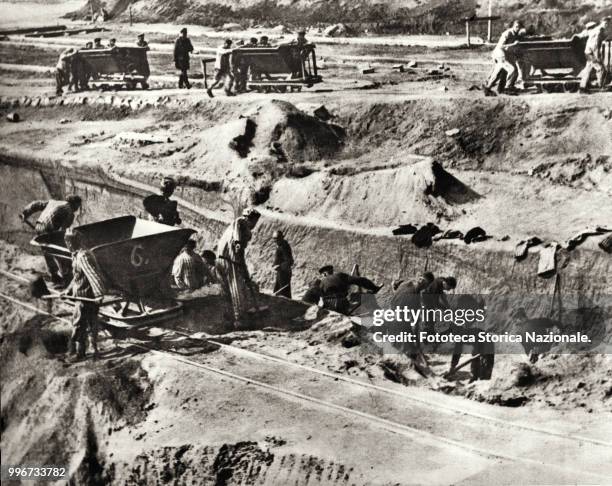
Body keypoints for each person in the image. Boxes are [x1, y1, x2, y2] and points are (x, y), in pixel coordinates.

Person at [63, 229, 105, 361]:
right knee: (89, 324)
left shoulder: (83, 256)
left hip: (86, 297)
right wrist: (68, 290)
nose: (67, 246)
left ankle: (81, 353)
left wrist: (99, 294)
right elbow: (77, 277)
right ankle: (93, 352)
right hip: (82, 295)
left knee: (79, 324)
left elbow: (93, 275)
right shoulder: (77, 255)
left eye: (67, 243)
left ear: (72, 243)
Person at [215, 208, 261, 327]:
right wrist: (238, 243)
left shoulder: (240, 228)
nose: (254, 225)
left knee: (225, 292)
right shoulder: (241, 222)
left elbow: (241, 254)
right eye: (254, 222)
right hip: (229, 260)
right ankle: (239, 320)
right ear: (249, 218)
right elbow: (238, 242)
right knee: (236, 290)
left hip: (221, 260)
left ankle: (227, 319)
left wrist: (243, 266)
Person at [21, 195, 82, 283]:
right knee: (58, 251)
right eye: (78, 206)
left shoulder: (54, 202)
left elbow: (36, 204)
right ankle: (65, 276)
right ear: (74, 204)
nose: (78, 208)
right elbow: (62, 232)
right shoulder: (70, 213)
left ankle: (54, 275)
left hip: (39, 227)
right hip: (49, 230)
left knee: (47, 251)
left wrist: (25, 213)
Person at [318, 265, 382, 315]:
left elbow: (319, 299)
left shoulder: (320, 284)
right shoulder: (340, 276)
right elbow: (360, 280)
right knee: (362, 296)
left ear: (324, 274)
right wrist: (374, 288)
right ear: (332, 271)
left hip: (330, 307)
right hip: (342, 304)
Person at [484, 20, 523, 95]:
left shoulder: (516, 34)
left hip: (505, 54)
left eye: (519, 27)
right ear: (513, 26)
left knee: (501, 72)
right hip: (500, 54)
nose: (517, 28)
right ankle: (507, 88)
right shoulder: (507, 33)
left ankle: (489, 88)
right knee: (512, 69)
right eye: (516, 27)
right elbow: (500, 46)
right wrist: (513, 44)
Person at [579, 17, 610, 93]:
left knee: (588, 69)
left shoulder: (597, 30)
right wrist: (597, 57)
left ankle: (582, 88)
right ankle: (601, 86)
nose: (607, 25)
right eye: (605, 23)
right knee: (600, 68)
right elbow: (595, 45)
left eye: (608, 23)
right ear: (601, 22)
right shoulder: (598, 31)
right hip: (591, 53)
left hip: (588, 52)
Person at [272, 230, 294, 298]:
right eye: (274, 239)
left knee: (283, 294)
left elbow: (290, 261)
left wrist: (280, 266)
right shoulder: (280, 245)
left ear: (281, 238)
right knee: (278, 292)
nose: (275, 241)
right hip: (281, 272)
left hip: (285, 273)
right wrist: (274, 264)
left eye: (276, 239)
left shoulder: (284, 247)